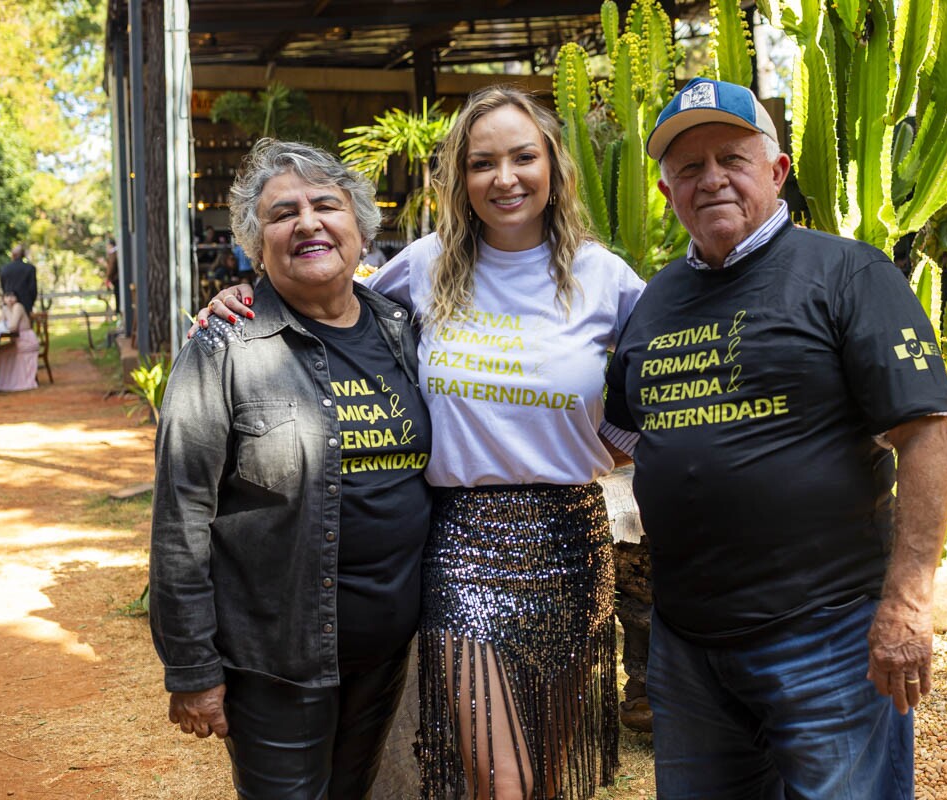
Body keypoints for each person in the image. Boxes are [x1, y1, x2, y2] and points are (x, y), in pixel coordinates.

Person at [196, 86, 644, 800]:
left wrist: (589, 448)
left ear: (553, 166)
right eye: (482, 162)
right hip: (464, 546)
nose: (505, 178)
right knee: (504, 784)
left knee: (550, 782)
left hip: (572, 541)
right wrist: (245, 299)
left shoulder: (606, 278)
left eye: (524, 157)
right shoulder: (424, 266)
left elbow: (659, 384)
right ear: (459, 179)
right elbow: (329, 309)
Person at [603, 78, 947, 799]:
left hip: (824, 634)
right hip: (687, 640)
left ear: (778, 170)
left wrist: (909, 604)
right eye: (689, 169)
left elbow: (926, 436)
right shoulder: (655, 300)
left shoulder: (848, 273)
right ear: (668, 193)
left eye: (731, 157)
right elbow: (627, 437)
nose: (711, 180)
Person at [151, 139, 432, 799]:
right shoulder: (224, 347)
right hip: (278, 659)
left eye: (326, 205)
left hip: (385, 652)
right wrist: (192, 666)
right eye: (282, 213)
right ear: (255, 243)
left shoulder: (404, 331)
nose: (307, 222)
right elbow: (181, 515)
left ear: (360, 230)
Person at [0, 291, 39, 392]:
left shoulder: (18, 306)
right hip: (17, 341)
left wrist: (6, 310)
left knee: (0, 352)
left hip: (26, 340)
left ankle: (11, 382)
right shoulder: (5, 309)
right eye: (7, 296)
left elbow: (13, 326)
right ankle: (0, 382)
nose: (10, 299)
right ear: (3, 298)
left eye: (12, 296)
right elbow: (2, 325)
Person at [0, 245, 37, 315]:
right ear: (23, 255)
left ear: (12, 255)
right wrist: (30, 304)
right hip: (25, 305)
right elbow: (33, 289)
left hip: (9, 305)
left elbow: (3, 288)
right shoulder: (30, 268)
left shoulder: (4, 269)